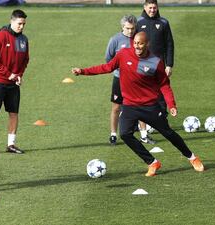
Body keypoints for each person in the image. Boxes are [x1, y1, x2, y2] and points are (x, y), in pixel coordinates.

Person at [72, 32, 204, 177]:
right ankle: (152, 162)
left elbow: (164, 85)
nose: (137, 46)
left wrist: (171, 104)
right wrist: (83, 71)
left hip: (150, 106)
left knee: (168, 133)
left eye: (140, 43)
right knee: (125, 134)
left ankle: (192, 158)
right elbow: (107, 67)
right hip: (129, 105)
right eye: (135, 43)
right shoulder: (123, 54)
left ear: (147, 44)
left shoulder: (156, 61)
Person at [0, 9, 29, 155]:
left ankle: (11, 144)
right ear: (12, 21)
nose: (21, 27)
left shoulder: (23, 39)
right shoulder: (0, 36)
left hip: (13, 82)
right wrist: (9, 74)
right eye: (19, 23)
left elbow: (25, 60)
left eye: (23, 24)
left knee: (14, 113)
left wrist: (19, 74)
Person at [105, 15, 155, 145]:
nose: (131, 31)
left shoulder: (139, 38)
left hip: (137, 79)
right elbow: (108, 58)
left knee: (140, 105)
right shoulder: (115, 40)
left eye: (133, 28)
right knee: (116, 107)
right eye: (128, 28)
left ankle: (144, 135)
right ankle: (113, 135)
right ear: (122, 27)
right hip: (119, 79)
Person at [136, 0, 174, 143]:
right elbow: (132, 44)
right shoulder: (139, 22)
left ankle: (161, 122)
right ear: (145, 7)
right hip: (142, 65)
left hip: (159, 65)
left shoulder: (163, 22)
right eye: (150, 7)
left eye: (154, 7)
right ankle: (141, 125)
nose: (152, 10)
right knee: (141, 94)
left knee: (162, 94)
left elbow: (169, 45)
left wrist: (169, 64)